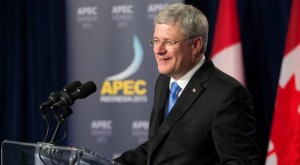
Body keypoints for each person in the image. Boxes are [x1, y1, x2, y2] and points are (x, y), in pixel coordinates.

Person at [113, 3, 260, 165]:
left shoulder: (227, 94)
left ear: (195, 45)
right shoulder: (164, 81)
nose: (158, 50)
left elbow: (241, 162)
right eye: (156, 40)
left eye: (169, 42)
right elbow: (160, 147)